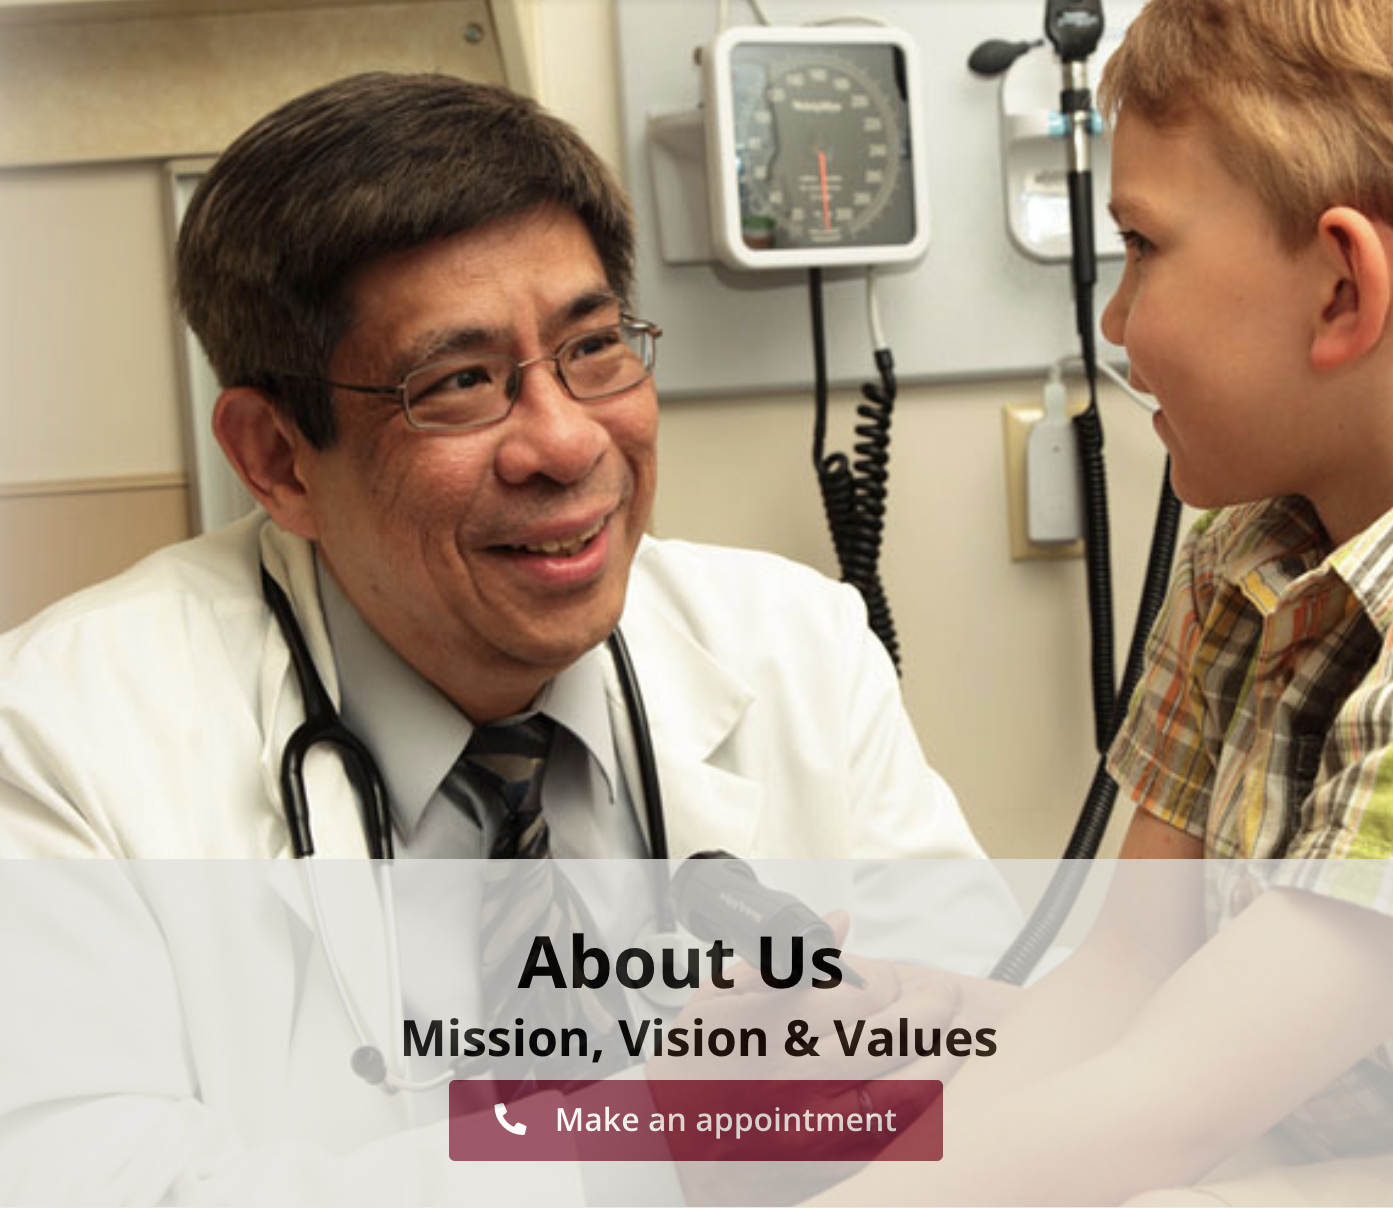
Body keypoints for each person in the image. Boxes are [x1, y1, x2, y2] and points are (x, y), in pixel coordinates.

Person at [0, 73, 1018, 1204]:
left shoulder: (795, 649)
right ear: (279, 458)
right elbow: (79, 1179)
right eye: (459, 383)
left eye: (593, 348)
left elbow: (996, 1048)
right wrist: (652, 1141)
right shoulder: (60, 739)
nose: (567, 441)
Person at [812, 1, 1393, 1204]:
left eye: (1140, 244)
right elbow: (1122, 973)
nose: (1114, 324)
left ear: (1341, 289)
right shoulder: (1234, 566)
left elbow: (1160, 1109)